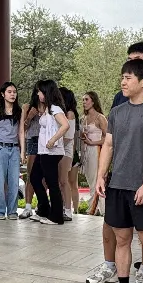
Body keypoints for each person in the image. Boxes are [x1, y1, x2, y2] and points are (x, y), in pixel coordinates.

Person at [88, 42, 143, 283]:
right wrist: (101, 176)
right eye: (122, 78)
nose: (123, 82)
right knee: (122, 239)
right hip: (118, 184)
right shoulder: (117, 112)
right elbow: (109, 145)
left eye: (128, 78)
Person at [28, 79, 70, 226]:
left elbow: (65, 125)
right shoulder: (47, 109)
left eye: (40, 91)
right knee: (34, 177)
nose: (38, 94)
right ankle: (44, 209)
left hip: (51, 152)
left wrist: (52, 140)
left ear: (46, 92)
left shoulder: (55, 109)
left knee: (52, 183)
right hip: (43, 151)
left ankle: (56, 216)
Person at [0, 81, 26, 220]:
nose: (12, 94)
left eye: (14, 92)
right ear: (3, 94)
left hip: (14, 149)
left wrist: (22, 152)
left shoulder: (19, 111)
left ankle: (12, 211)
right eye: (9, 92)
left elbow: (21, 132)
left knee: (14, 182)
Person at [80, 92, 107, 216]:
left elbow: (108, 138)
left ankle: (99, 208)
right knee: (90, 179)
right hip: (86, 150)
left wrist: (93, 142)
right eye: (83, 100)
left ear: (93, 101)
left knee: (96, 178)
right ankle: (94, 207)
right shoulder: (84, 118)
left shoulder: (100, 117)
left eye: (86, 99)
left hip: (96, 149)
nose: (84, 102)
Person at [59, 86, 79, 220]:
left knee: (64, 181)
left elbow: (68, 136)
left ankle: (68, 210)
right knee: (59, 181)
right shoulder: (60, 113)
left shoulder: (70, 114)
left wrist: (53, 138)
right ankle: (60, 207)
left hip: (66, 150)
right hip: (59, 149)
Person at [21, 101, 40, 219]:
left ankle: (41, 205)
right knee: (31, 175)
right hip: (32, 139)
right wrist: (29, 117)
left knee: (44, 177)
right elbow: (22, 128)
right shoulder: (27, 107)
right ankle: (28, 207)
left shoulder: (50, 106)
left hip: (46, 141)